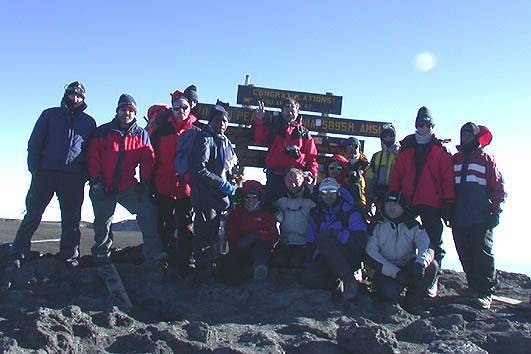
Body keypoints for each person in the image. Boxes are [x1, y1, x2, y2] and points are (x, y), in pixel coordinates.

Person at [6, 82, 96, 272]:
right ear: (66, 95)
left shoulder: (88, 122)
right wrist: (35, 169)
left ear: (84, 99)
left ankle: (69, 257)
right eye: (72, 94)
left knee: (72, 220)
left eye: (79, 96)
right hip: (46, 173)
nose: (75, 98)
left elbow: (91, 152)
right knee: (33, 214)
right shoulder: (50, 114)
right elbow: (35, 142)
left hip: (73, 178)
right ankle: (18, 253)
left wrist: (84, 175)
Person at [87, 94, 166, 266]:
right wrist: (95, 180)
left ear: (135, 113)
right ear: (117, 111)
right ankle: (101, 256)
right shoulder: (103, 132)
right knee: (103, 223)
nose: (127, 113)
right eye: (124, 109)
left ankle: (153, 255)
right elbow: (93, 156)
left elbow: (148, 158)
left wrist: (144, 182)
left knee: (148, 212)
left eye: (131, 110)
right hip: (104, 185)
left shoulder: (141, 135)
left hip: (127, 186)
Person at [388, 106, 454, 297]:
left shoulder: (440, 150)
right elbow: (397, 175)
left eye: (427, 124)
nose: (423, 128)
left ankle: (432, 278)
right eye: (420, 124)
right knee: (404, 239)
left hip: (432, 202)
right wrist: (394, 197)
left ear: (432, 125)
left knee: (434, 241)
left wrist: (448, 201)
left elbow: (447, 177)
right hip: (408, 201)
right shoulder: (407, 147)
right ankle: (405, 274)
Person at [452, 122, 505, 309]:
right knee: (464, 252)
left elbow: (497, 187)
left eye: (469, 134)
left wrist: (496, 210)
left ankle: (485, 291)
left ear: (476, 136)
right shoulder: (455, 159)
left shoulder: (486, 160)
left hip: (481, 216)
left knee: (482, 252)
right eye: (462, 134)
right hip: (459, 216)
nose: (465, 137)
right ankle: (473, 287)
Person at [148, 87, 199, 270]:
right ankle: (166, 259)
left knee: (186, 226)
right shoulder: (162, 130)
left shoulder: (196, 132)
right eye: (177, 107)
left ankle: (187, 260)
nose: (181, 111)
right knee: (165, 226)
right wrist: (149, 182)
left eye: (184, 107)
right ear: (172, 108)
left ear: (190, 108)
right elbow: (151, 157)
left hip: (185, 189)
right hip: (163, 186)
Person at [365, 191, 439, 314]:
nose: (392, 208)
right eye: (389, 204)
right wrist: (395, 273)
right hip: (385, 270)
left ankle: (413, 302)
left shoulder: (413, 225)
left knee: (431, 267)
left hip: (408, 266)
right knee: (388, 291)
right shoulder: (376, 226)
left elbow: (427, 246)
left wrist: (421, 263)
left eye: (396, 204)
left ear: (403, 207)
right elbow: (371, 254)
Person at [189, 101, 239, 276]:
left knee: (215, 233)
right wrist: (221, 184)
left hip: (218, 197)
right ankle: (202, 271)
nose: (222, 124)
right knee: (205, 234)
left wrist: (231, 180)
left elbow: (228, 168)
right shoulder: (205, 139)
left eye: (225, 121)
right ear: (211, 121)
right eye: (218, 120)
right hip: (205, 196)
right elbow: (199, 169)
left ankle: (210, 268)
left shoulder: (224, 142)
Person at [300, 177, 368, 301]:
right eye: (324, 192)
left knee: (326, 238)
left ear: (338, 192)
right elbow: (311, 240)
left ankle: (349, 281)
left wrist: (338, 235)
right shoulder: (317, 213)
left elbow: (361, 240)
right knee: (307, 278)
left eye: (331, 191)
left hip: (349, 256)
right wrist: (309, 262)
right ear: (320, 195)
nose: (328, 196)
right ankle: (337, 284)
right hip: (326, 258)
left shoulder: (350, 211)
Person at [252, 98, 318, 202]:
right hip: (275, 176)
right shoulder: (273, 127)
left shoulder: (304, 133)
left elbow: (312, 156)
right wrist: (260, 121)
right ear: (282, 111)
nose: (290, 112)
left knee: (296, 207)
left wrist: (312, 174)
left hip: (297, 177)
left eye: (293, 109)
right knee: (273, 207)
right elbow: (260, 140)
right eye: (287, 108)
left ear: (298, 112)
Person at [215, 180, 279, 284]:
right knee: (226, 266)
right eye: (247, 197)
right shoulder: (237, 214)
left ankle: (259, 267)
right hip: (240, 250)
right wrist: (239, 244)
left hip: (259, 253)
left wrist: (257, 235)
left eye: (255, 197)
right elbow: (231, 234)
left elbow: (274, 236)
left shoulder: (266, 215)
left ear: (260, 199)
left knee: (260, 247)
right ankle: (244, 272)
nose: (250, 201)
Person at [271, 168, 315, 269]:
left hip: (303, 243)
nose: (293, 185)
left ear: (302, 180)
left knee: (295, 264)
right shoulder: (279, 199)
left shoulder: (311, 200)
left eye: (296, 181)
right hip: (284, 242)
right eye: (289, 181)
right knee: (278, 262)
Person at [365, 123, 399, 216]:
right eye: (385, 135)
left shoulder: (401, 154)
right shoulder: (376, 156)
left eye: (391, 135)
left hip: (397, 198)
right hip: (379, 197)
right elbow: (370, 179)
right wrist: (369, 201)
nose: (388, 138)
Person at [343, 137, 370, 208]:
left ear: (359, 149)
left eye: (355, 146)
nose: (352, 149)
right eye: (349, 146)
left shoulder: (366, 165)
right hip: (343, 201)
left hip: (362, 202)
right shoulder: (341, 164)